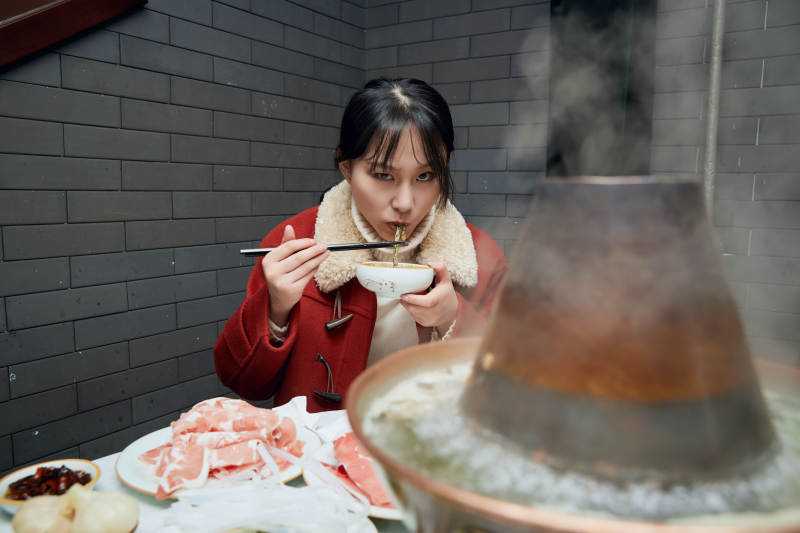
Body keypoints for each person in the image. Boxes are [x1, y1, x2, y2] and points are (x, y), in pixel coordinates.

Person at [214, 78, 507, 412]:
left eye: (425, 176)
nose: (405, 202)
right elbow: (243, 382)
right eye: (384, 175)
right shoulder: (296, 242)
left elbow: (512, 386)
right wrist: (275, 309)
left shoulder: (477, 256)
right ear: (347, 168)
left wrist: (453, 318)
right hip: (320, 455)